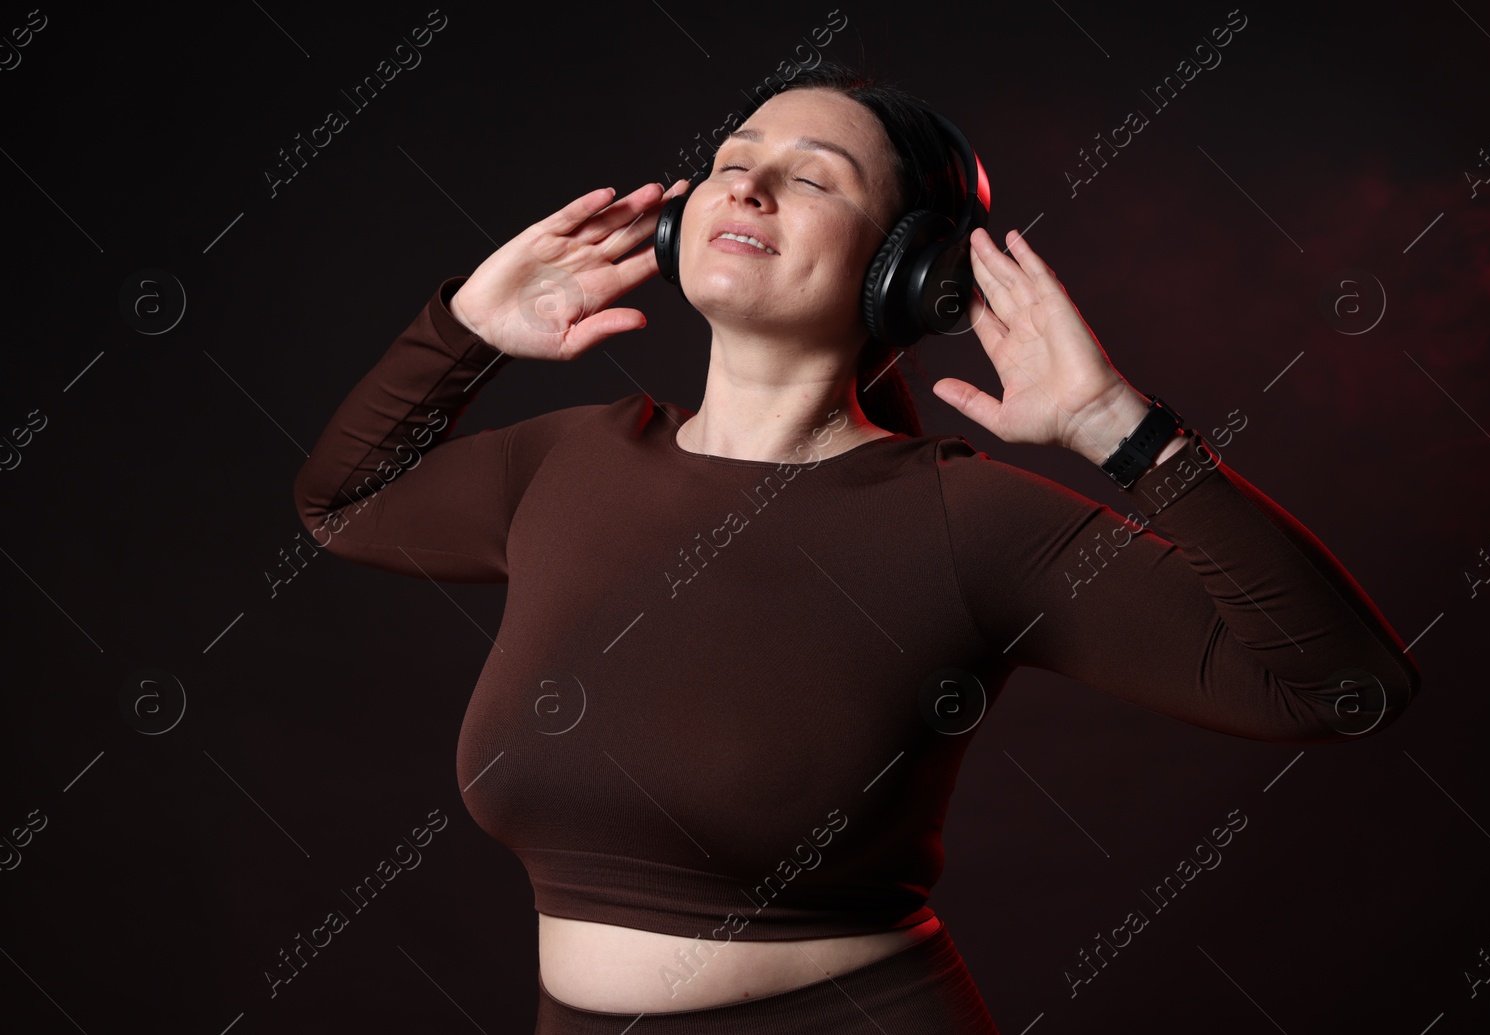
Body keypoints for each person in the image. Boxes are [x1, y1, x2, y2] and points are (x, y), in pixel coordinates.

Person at [293, 64, 1420, 1033]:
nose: (748, 181)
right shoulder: (565, 463)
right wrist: (465, 331)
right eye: (735, 158)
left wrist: (1117, 430)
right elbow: (342, 502)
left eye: (814, 174)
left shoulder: (961, 520)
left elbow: (1342, 687)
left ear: (908, 271)